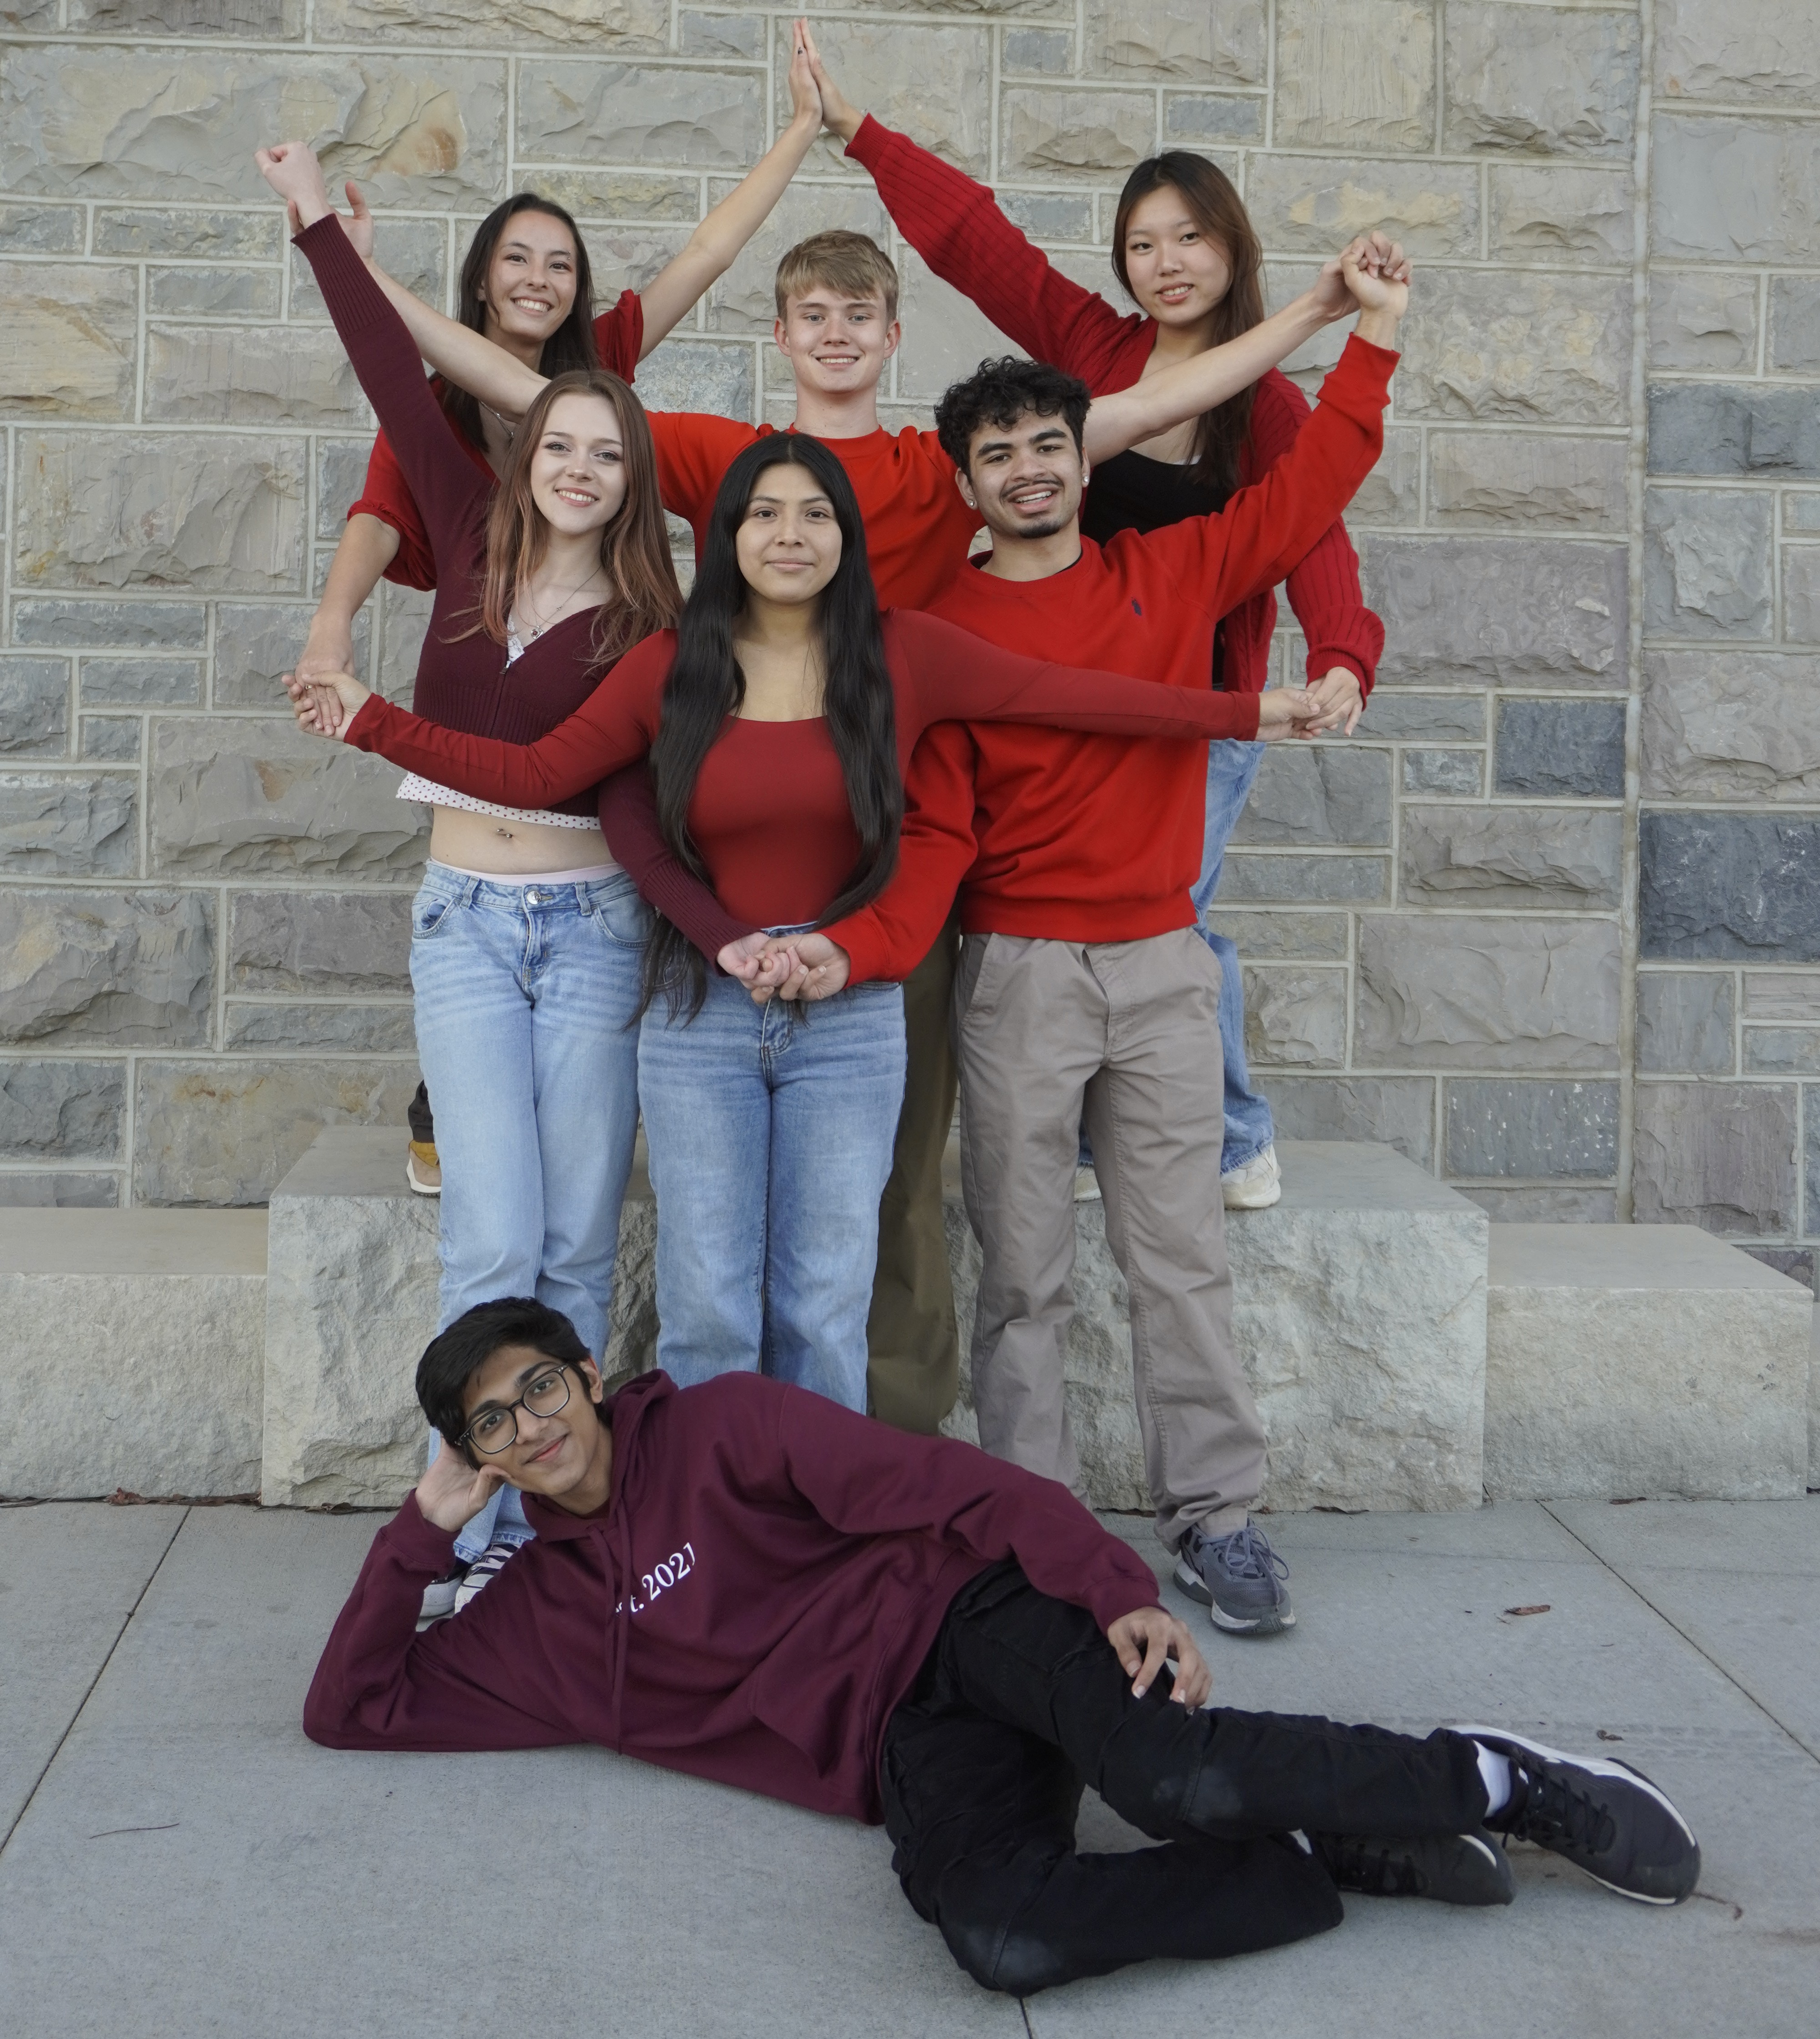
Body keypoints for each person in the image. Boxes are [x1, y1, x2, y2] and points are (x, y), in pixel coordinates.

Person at [298, 170, 1397, 1442]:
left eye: (857, 314)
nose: (789, 532)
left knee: (886, 1207)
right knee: (699, 1280)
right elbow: (523, 401)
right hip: (705, 942)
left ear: (890, 336)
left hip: (890, 907)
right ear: (778, 344)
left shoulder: (934, 506)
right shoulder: (704, 552)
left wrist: (1320, 320)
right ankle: (681, 1491)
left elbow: (1109, 615)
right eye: (810, 314)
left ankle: (884, 1458)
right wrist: (343, 261)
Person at [304, 1296, 1703, 1996]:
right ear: (478, 1457)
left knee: (1170, 1775)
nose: (530, 1425)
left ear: (589, 1379)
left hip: (970, 1618)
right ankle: (1310, 1857)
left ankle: (1498, 1780)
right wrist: (420, 1536)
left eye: (540, 1387)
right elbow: (349, 1707)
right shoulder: (535, 1625)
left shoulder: (725, 1428)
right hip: (906, 1743)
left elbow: (956, 1486)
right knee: (1000, 1936)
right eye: (492, 1423)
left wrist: (1113, 1588)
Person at [746, 257, 1406, 1641]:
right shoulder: (934, 632)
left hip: (1162, 967)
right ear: (966, 484)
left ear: (1083, 460)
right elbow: (934, 835)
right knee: (1024, 1269)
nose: (1030, 469)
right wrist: (857, 947)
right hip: (1020, 976)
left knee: (1180, 1258)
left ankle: (1215, 1516)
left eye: (1049, 444)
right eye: (998, 455)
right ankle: (1031, 1524)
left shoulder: (1172, 568)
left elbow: (1308, 493)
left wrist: (1371, 339)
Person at [816, 44, 1384, 1212]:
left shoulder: (1267, 404)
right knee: (1054, 925)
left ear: (1232, 248)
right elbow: (976, 242)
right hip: (1050, 698)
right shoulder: (1089, 350)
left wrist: (1340, 656)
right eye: (1141, 243)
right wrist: (855, 129)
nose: (1165, 264)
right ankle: (1087, 1136)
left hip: (1193, 713)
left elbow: (1307, 533)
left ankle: (1230, 1136)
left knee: (1172, 922)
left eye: (1189, 238)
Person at [256, 138, 688, 1608]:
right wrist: (318, 224)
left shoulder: (646, 619)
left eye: (607, 454)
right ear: (529, 448)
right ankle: (466, 1517)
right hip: (465, 925)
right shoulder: (461, 523)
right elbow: (392, 370)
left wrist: (376, 716)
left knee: (572, 1243)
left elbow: (572, 780)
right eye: (562, 443)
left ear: (630, 478)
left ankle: (559, 1534)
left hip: (592, 925)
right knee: (491, 1234)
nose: (579, 467)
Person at [292, 25, 831, 1196]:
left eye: (560, 265)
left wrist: (802, 128)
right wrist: (331, 637)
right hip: (483, 642)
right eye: (517, 260)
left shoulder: (607, 377)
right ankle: (455, 1090)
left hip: (583, 664)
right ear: (482, 277)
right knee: (479, 870)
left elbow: (708, 250)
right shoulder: (440, 420)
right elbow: (378, 508)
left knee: (600, 803)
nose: (540, 280)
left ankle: (580, 1048)